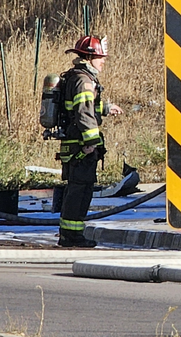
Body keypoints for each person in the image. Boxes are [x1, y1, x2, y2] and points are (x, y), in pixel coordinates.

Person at [57, 35, 123, 247]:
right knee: (79, 191)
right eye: (100, 57)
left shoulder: (80, 78)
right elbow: (84, 113)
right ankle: (70, 236)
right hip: (81, 146)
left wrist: (105, 108)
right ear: (89, 57)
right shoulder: (84, 80)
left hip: (77, 143)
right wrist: (91, 142)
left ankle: (72, 234)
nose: (103, 61)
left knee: (81, 189)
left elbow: (85, 107)